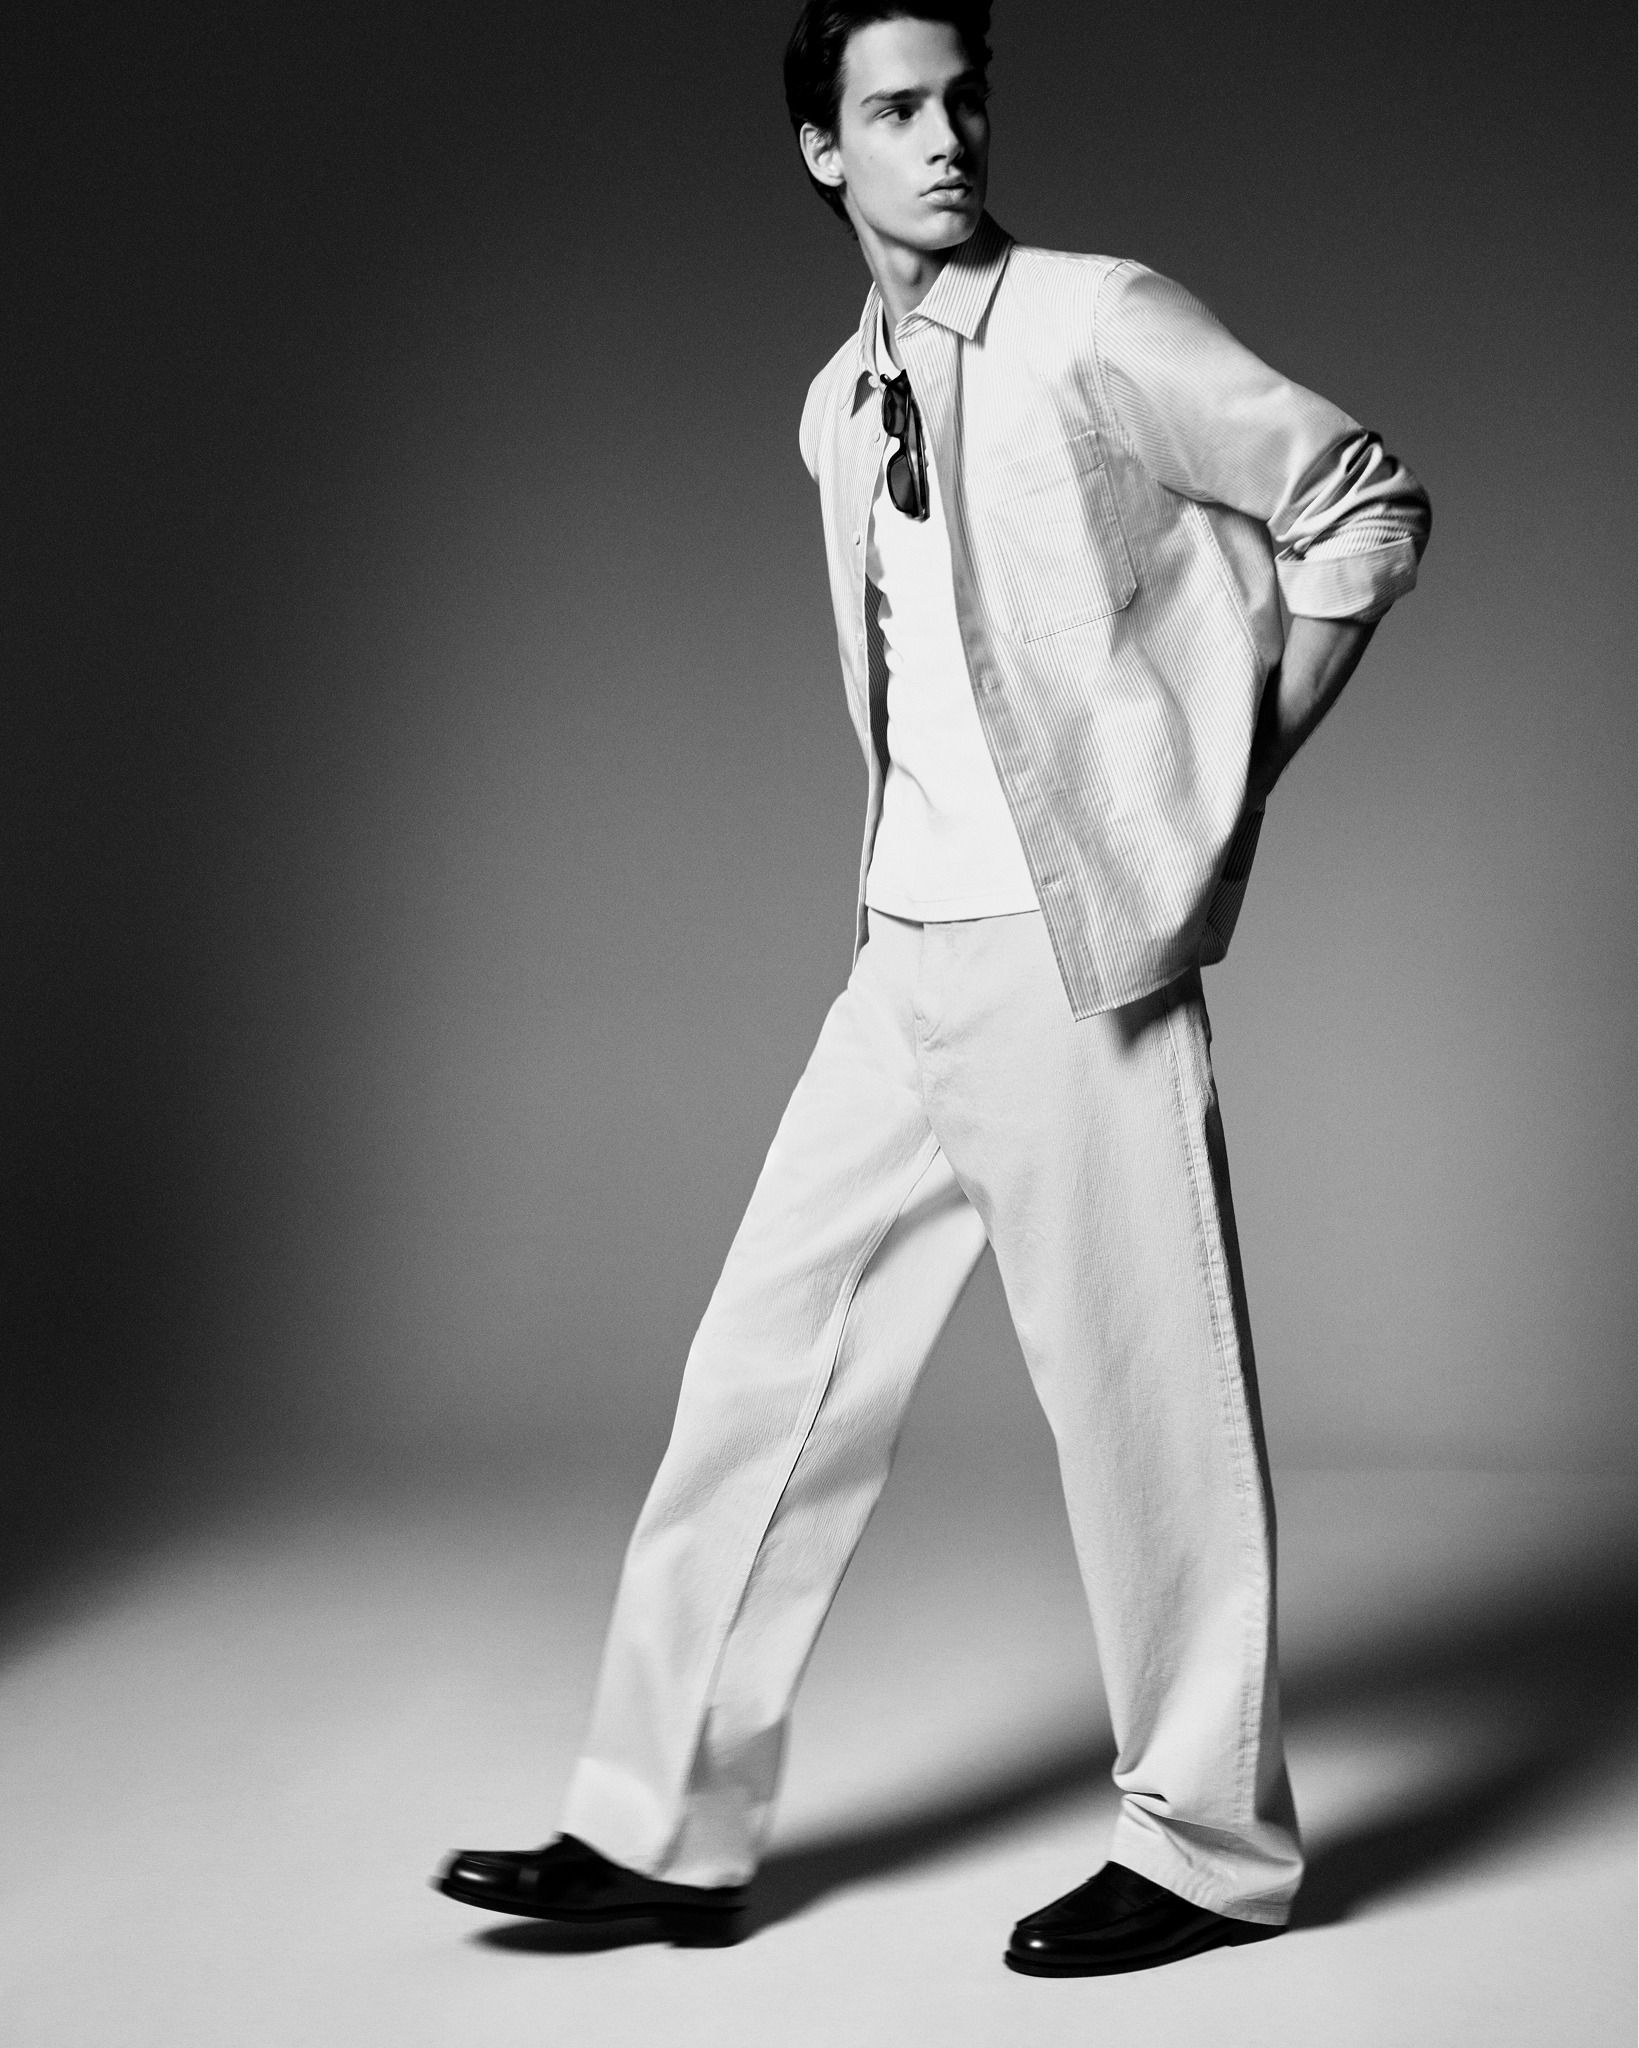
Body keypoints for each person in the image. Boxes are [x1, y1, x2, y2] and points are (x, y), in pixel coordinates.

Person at [435, 0, 1430, 1976]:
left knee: (1145, 1421)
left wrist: (1206, 801)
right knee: (759, 1382)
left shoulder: (1092, 321)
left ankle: (1211, 1848)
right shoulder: (836, 406)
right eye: (895, 109)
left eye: (963, 100)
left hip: (1077, 964)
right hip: (900, 957)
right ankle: (661, 1832)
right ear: (825, 148)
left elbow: (1357, 502)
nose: (946, 137)